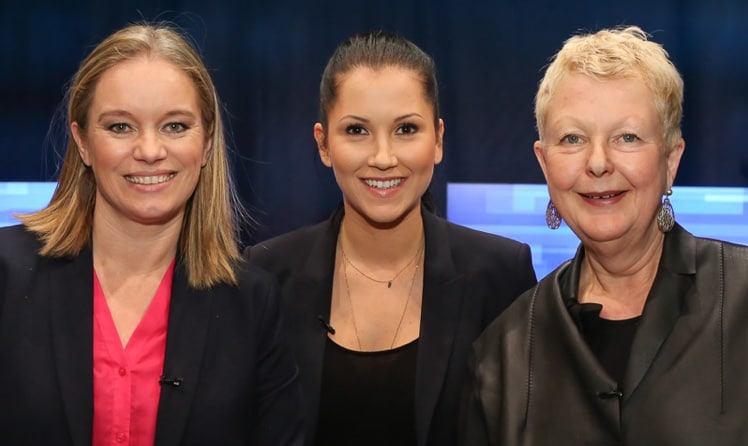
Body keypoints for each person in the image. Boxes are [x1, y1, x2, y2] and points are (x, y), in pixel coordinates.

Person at [0, 23, 303, 445]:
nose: (149, 150)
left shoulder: (251, 301)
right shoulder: (6, 277)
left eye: (175, 126)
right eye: (120, 127)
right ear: (83, 142)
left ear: (207, 142)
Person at [245, 30, 537, 446]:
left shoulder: (500, 273)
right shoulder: (267, 274)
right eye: (357, 131)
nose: (383, 158)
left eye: (405, 129)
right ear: (323, 144)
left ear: (437, 139)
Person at [461, 25, 748, 445]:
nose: (598, 163)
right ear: (544, 164)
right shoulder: (502, 354)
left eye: (627, 137)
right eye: (572, 138)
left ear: (671, 160)